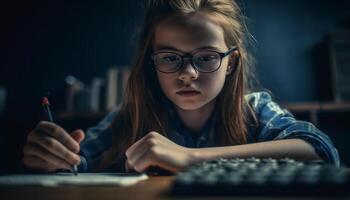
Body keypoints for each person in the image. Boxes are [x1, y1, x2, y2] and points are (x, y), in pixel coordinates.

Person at [22, 0, 339, 173]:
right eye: (170, 57)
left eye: (206, 57)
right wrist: (51, 157)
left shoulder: (254, 110)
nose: (187, 73)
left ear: (230, 63)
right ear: (152, 61)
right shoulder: (131, 116)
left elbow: (321, 151)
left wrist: (190, 157)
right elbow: (78, 166)